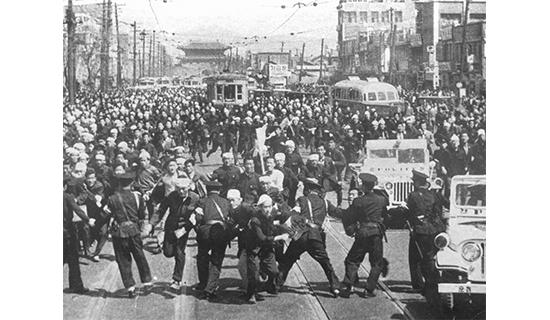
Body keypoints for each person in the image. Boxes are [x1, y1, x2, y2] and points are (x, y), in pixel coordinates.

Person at [277, 178, 342, 297]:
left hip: (301, 235)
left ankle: (276, 285)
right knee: (325, 262)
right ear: (318, 191)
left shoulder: (301, 200)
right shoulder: (325, 203)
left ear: (307, 189)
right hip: (316, 237)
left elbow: (293, 215)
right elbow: (338, 213)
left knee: (287, 261)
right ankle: (335, 286)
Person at [104, 171, 153, 298]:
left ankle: (130, 287)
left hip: (119, 233)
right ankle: (147, 282)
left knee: (123, 260)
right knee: (140, 256)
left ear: (119, 184)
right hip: (134, 231)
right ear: (132, 183)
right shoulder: (138, 197)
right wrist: (141, 229)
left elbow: (106, 214)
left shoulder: (112, 199)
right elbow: (142, 216)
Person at [341, 173, 389, 298]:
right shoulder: (381, 200)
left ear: (363, 186)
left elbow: (351, 216)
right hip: (376, 234)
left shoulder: (358, 201)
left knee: (352, 260)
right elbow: (385, 215)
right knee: (377, 263)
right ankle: (369, 289)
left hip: (362, 233)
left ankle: (348, 285)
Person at [403, 170, 446, 305]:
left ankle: (418, 285)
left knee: (415, 258)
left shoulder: (413, 196)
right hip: (435, 230)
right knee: (431, 257)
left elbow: (409, 212)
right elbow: (443, 208)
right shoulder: (436, 195)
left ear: (417, 183)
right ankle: (432, 283)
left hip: (420, 231)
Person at [149, 178, 199, 291]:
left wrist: (189, 229)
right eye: (179, 189)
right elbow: (161, 210)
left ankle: (177, 279)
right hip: (171, 226)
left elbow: (197, 216)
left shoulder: (195, 198)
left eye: (183, 189)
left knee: (180, 252)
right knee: (168, 252)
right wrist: (152, 224)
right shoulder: (171, 196)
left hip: (184, 228)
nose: (181, 192)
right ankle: (167, 248)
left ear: (189, 187)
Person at [244, 195, 289, 304]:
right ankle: (251, 294)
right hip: (254, 249)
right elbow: (262, 238)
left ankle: (263, 273)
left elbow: (284, 216)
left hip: (266, 249)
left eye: (270, 206)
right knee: (254, 276)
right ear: (259, 207)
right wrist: (279, 237)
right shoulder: (255, 220)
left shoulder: (270, 216)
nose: (268, 209)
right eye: (265, 207)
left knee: (274, 271)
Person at [193, 181, 232, 301]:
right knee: (217, 260)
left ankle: (203, 283)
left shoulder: (202, 201)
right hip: (220, 232)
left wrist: (199, 229)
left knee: (202, 257)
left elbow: (198, 218)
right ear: (219, 190)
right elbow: (230, 219)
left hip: (205, 232)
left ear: (207, 189)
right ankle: (210, 288)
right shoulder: (226, 202)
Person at [64, 175, 94, 294]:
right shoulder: (67, 197)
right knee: (73, 260)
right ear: (65, 186)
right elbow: (77, 210)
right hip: (67, 232)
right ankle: (76, 286)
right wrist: (88, 220)